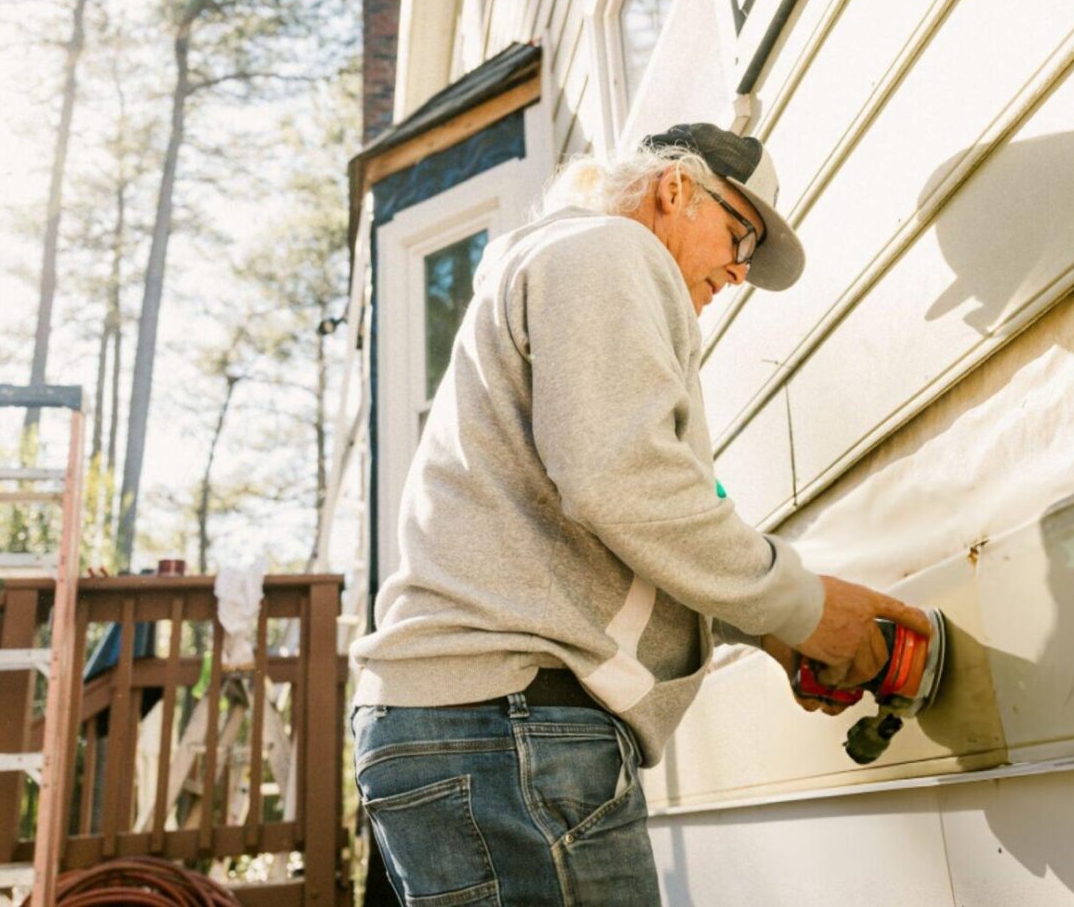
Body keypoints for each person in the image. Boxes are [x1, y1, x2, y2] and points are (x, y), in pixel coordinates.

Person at [350, 123, 935, 905]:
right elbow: (623, 482)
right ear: (674, 190)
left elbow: (607, 521)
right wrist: (808, 608)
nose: (739, 269)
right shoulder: (608, 253)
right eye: (739, 233)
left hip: (466, 731)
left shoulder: (557, 269)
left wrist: (766, 626)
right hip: (512, 728)